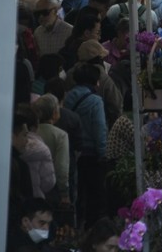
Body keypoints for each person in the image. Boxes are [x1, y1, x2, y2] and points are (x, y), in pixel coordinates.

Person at [65, 62, 107, 228]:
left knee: (77, 192)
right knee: (94, 195)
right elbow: (100, 129)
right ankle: (91, 229)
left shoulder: (68, 97)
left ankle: (76, 226)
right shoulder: (95, 101)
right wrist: (103, 154)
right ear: (95, 81)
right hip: (92, 155)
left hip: (73, 152)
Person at [32, 95, 70, 205]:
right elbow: (61, 168)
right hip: (51, 188)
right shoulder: (61, 135)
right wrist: (64, 193)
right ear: (54, 113)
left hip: (31, 183)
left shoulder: (31, 132)